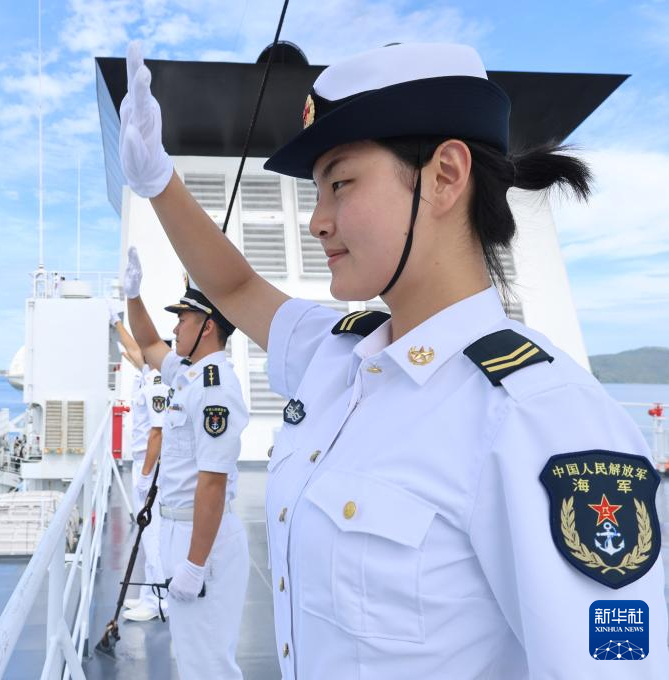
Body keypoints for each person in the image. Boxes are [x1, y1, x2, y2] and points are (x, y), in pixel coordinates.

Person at [118, 41, 668, 678]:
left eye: (340, 184)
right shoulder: (338, 354)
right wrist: (158, 181)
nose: (317, 221)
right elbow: (236, 288)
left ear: (445, 176)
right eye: (318, 192)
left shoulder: (543, 420)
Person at [122, 246, 250, 679]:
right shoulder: (189, 374)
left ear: (207, 326)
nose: (175, 327)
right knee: (193, 659)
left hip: (203, 541)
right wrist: (133, 295)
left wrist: (194, 564)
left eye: (184, 319)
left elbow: (212, 483)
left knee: (208, 664)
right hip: (180, 531)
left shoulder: (215, 390)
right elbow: (148, 344)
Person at [108, 303, 169, 622]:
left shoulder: (158, 382)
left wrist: (145, 476)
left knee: (154, 534)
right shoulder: (149, 374)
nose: (135, 355)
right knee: (147, 534)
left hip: (151, 470)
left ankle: (159, 601)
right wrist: (116, 322)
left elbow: (158, 433)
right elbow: (133, 349)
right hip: (144, 467)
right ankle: (148, 595)